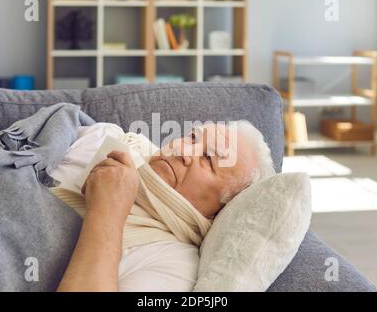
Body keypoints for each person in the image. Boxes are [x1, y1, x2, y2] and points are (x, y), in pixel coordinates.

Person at [56, 121, 275, 292]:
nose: (183, 150)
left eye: (208, 158)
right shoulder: (107, 138)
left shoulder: (175, 264)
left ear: (222, 210)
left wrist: (108, 210)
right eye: (192, 137)